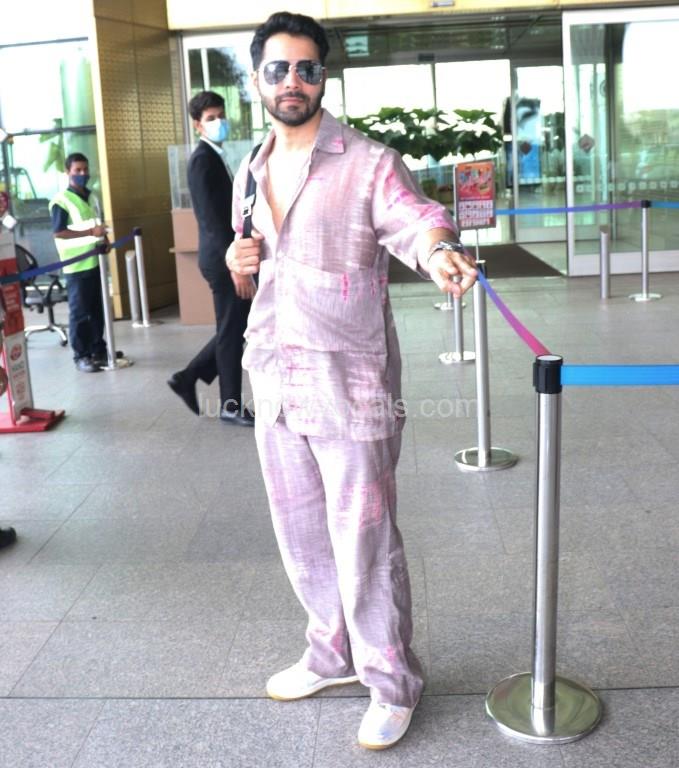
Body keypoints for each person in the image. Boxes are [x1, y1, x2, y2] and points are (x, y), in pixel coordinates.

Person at [227, 11, 477, 750]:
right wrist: (239, 266)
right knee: (301, 533)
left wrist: (439, 250)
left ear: (323, 77)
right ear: (257, 80)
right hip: (275, 373)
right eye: (278, 69)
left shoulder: (369, 162)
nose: (292, 81)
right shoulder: (250, 169)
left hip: (349, 382)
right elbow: (253, 271)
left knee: (363, 538)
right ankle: (330, 653)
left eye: (306, 68)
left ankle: (392, 680)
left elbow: (416, 219)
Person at [167, 91, 255, 426]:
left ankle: (188, 377)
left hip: (226, 258)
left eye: (221, 115)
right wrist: (235, 266)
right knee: (232, 330)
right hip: (222, 261)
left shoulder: (215, 155)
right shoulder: (202, 160)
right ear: (198, 125)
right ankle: (230, 404)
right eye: (211, 118)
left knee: (235, 326)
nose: (219, 122)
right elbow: (211, 221)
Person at [49, 153, 110, 373]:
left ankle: (98, 349)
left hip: (95, 262)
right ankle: (81, 356)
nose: (83, 173)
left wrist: (104, 239)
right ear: (68, 172)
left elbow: (97, 224)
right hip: (76, 266)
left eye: (85, 169)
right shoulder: (61, 201)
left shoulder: (91, 196)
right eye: (77, 170)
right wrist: (91, 232)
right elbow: (59, 232)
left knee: (97, 310)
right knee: (80, 313)